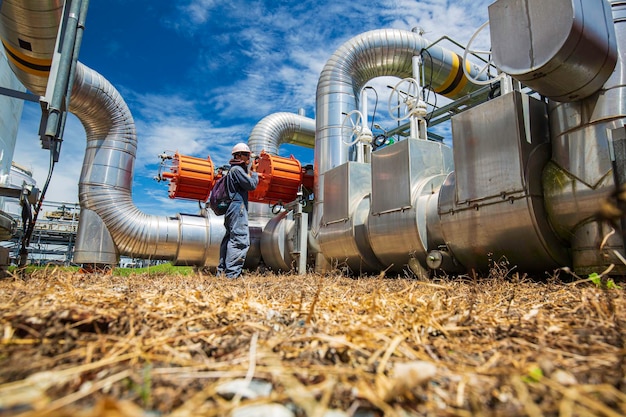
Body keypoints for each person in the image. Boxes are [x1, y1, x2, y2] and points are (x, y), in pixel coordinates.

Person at [217, 143, 259, 278]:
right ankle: (232, 275)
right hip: (237, 208)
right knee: (240, 240)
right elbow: (251, 185)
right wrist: (255, 173)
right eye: (247, 155)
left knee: (229, 238)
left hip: (232, 208)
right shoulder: (236, 170)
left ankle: (222, 272)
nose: (249, 158)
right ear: (239, 155)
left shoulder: (233, 170)